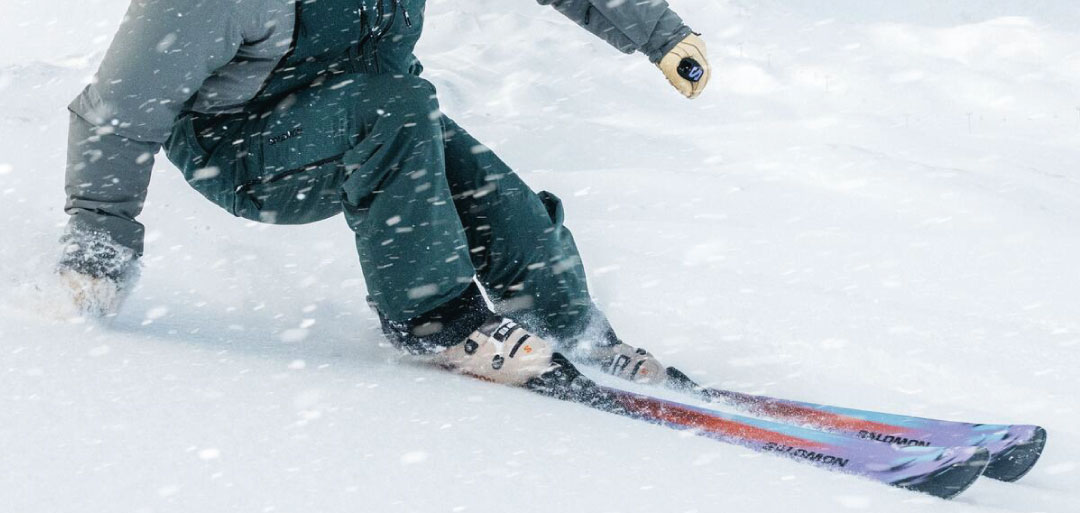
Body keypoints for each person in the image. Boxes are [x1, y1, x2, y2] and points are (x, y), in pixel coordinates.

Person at [57, 0, 710, 388]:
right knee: (394, 106)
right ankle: (436, 322)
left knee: (506, 212)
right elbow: (117, 108)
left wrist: (659, 35)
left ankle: (576, 335)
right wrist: (97, 247)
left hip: (378, 117)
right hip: (242, 151)